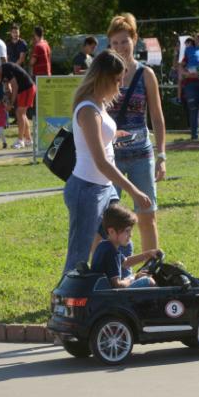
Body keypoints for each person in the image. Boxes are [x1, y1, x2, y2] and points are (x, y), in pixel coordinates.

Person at [63, 49, 151, 274]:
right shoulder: (87, 110)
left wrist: (113, 137)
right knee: (79, 254)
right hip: (87, 189)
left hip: (105, 188)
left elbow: (99, 141)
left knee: (123, 238)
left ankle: (123, 288)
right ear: (104, 78)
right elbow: (100, 162)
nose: (120, 85)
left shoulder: (99, 104)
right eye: (117, 79)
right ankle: (65, 302)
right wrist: (134, 191)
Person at [106, 13, 167, 253]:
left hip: (142, 154)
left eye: (124, 41)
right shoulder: (105, 74)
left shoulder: (146, 75)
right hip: (112, 158)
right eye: (115, 43)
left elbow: (157, 117)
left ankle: (150, 267)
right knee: (110, 220)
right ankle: (117, 271)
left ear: (135, 39)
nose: (120, 47)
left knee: (147, 215)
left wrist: (161, 156)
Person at [92, 204, 160, 288]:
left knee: (138, 277)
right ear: (111, 231)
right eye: (127, 231)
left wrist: (148, 254)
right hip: (112, 296)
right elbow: (117, 285)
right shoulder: (111, 252)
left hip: (104, 291)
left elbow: (126, 262)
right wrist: (134, 278)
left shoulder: (104, 245)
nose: (130, 235)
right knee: (149, 281)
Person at [0, 62, 35, 148]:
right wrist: (8, 100)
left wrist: (11, 103)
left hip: (26, 88)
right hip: (25, 89)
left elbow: (14, 86)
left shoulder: (5, 70)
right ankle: (29, 140)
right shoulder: (3, 72)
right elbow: (8, 88)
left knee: (20, 113)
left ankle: (20, 140)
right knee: (22, 114)